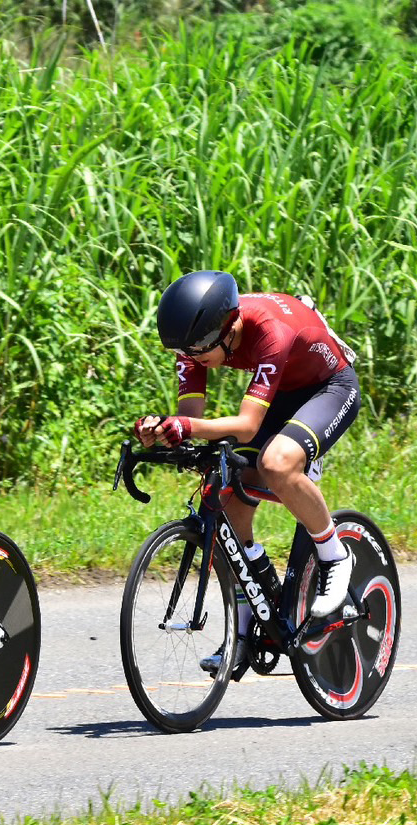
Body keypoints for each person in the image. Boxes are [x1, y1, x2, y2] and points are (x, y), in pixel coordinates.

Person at [133, 270, 361, 677]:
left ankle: (333, 555)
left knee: (276, 463)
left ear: (229, 324)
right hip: (282, 390)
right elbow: (191, 419)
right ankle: (243, 632)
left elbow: (247, 425)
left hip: (328, 388)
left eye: (200, 347)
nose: (193, 356)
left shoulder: (269, 331)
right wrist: (164, 429)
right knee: (227, 498)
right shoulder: (197, 340)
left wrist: (185, 428)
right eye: (185, 350)